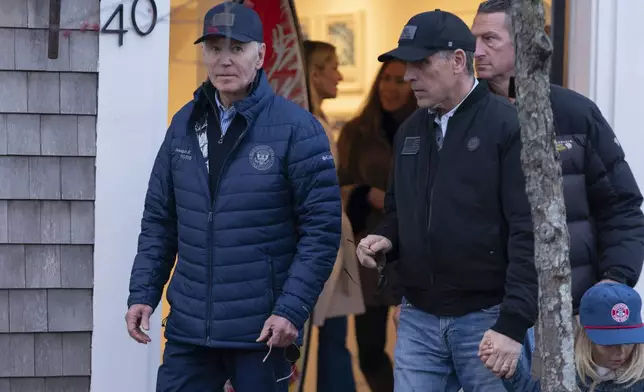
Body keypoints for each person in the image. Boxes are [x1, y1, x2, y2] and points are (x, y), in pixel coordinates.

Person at [124, 3, 342, 392]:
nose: (224, 59)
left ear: (260, 54)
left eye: (237, 48)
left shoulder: (297, 130)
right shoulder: (184, 124)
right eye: (214, 48)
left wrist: (291, 309)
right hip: (190, 330)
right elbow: (160, 220)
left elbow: (321, 233)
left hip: (262, 333)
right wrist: (144, 291)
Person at [355, 9, 537, 392]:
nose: (408, 76)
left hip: (487, 320)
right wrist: (386, 238)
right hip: (418, 317)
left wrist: (513, 324)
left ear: (458, 60)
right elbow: (398, 212)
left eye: (420, 63)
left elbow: (529, 232)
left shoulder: (507, 125)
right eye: (407, 65)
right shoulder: (409, 132)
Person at [472, 0, 644, 376]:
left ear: (530, 42)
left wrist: (611, 285)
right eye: (475, 40)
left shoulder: (575, 113)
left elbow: (622, 208)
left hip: (572, 313)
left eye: (490, 39)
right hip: (490, 316)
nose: (477, 51)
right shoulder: (467, 121)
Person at [336, 59, 417, 392]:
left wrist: (398, 203)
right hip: (367, 249)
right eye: (386, 79)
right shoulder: (357, 131)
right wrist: (365, 194)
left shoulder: (426, 126)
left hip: (414, 248)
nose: (391, 87)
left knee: (415, 348)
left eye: (400, 81)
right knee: (369, 348)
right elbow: (336, 186)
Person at [302, 40, 365, 392]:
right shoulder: (310, 124)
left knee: (335, 337)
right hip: (324, 239)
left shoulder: (320, 120)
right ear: (315, 73)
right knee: (328, 337)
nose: (340, 75)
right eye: (334, 67)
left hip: (336, 236)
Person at [483, 282, 644, 391]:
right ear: (585, 338)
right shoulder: (564, 370)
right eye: (608, 344)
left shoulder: (639, 379)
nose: (621, 352)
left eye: (629, 342)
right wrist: (510, 370)